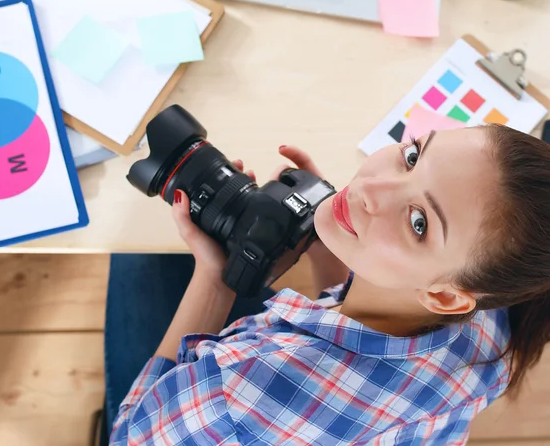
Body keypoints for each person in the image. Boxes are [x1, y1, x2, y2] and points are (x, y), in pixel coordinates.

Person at [102, 124, 550, 445]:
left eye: (418, 222)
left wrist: (215, 280)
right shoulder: (494, 323)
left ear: (445, 296)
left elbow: (129, 435)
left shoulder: (238, 390)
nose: (372, 187)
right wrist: (324, 240)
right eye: (412, 157)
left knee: (137, 249)